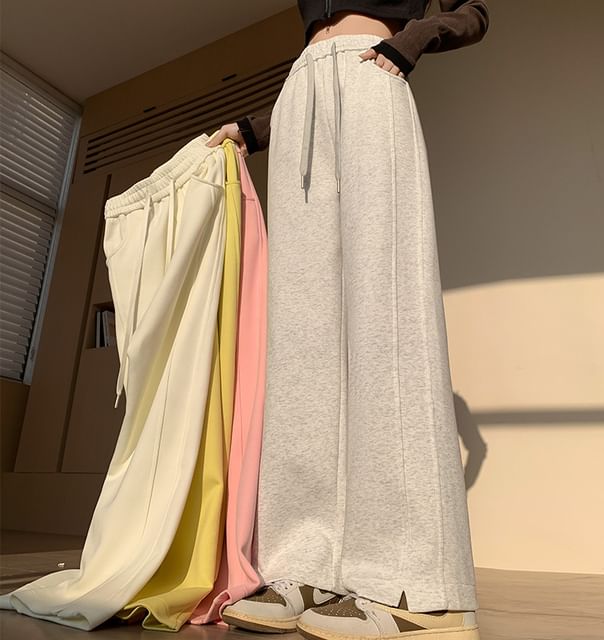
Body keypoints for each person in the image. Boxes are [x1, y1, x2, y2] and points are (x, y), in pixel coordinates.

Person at [206, 2, 489, 639]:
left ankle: (420, 587)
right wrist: (256, 128)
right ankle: (305, 567)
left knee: (387, 312)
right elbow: (320, 59)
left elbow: (474, 11)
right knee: (300, 340)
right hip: (298, 94)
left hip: (372, 75)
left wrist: (414, 39)